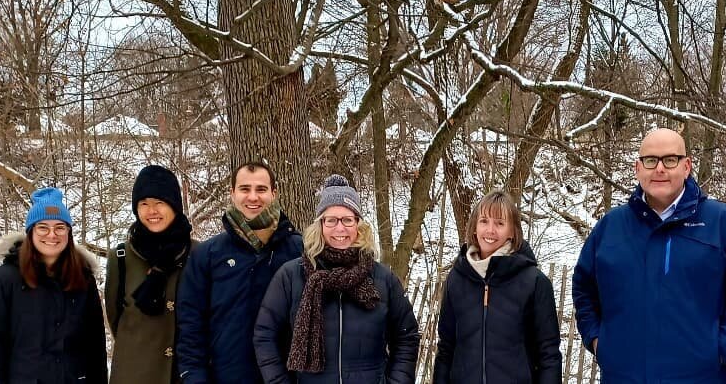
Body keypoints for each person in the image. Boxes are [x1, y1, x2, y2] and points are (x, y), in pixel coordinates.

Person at [571, 127, 726, 384]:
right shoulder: (611, 227)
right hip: (625, 375)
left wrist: (722, 346)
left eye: (670, 160)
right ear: (637, 168)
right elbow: (584, 288)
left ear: (687, 166)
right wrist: (599, 341)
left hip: (703, 376)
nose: (660, 169)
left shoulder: (721, 222)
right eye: (650, 160)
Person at [253, 174, 420, 384]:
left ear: (359, 224)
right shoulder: (292, 276)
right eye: (331, 220)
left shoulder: (382, 279)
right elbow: (264, 336)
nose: (340, 229)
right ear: (320, 225)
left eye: (348, 220)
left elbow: (406, 337)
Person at [177, 162, 303, 384]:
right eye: (245, 189)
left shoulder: (300, 251)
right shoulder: (208, 255)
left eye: (261, 189)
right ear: (232, 194)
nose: (253, 197)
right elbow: (191, 328)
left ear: (274, 194)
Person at [433, 190, 562, 384]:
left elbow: (549, 354)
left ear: (512, 231)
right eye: (484, 221)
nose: (490, 230)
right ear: (475, 227)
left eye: (499, 223)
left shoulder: (534, 282)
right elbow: (446, 347)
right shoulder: (457, 279)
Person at [0, 186, 108, 384]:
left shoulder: (83, 280)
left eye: (60, 227)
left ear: (69, 233)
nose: (52, 235)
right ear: (31, 232)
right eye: (43, 227)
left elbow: (95, 347)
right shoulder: (4, 279)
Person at [107, 165, 197, 384]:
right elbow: (115, 317)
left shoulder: (199, 255)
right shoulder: (121, 257)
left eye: (160, 203)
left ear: (175, 206)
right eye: (144, 204)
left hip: (185, 374)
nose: (152, 211)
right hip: (134, 375)